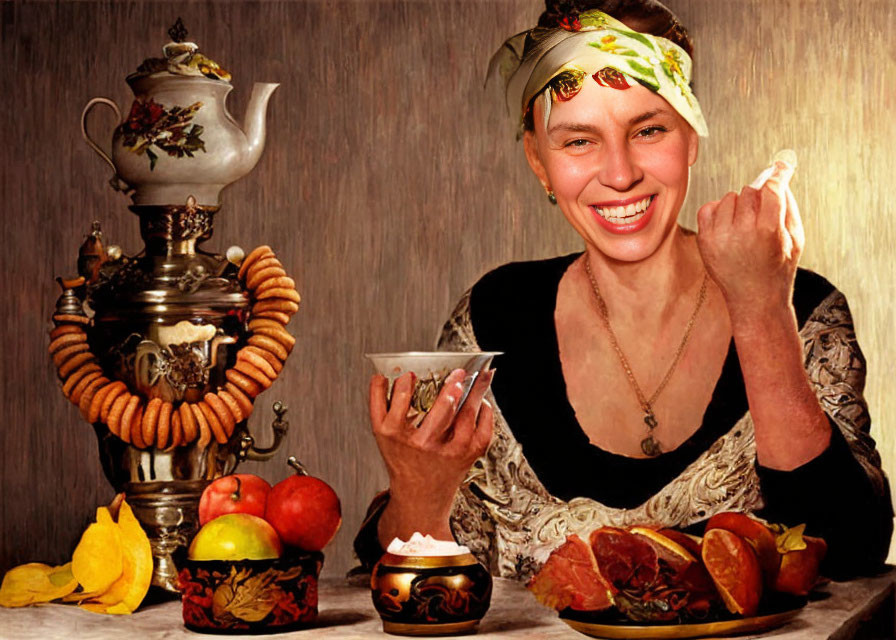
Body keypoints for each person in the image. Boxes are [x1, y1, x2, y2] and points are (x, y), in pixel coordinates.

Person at [355, 0, 893, 582]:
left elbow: (849, 549)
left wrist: (761, 309)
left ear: (691, 137)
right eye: (578, 141)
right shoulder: (495, 314)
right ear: (539, 161)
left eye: (650, 130)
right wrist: (416, 491)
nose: (619, 174)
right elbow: (423, 568)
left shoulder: (802, 307)